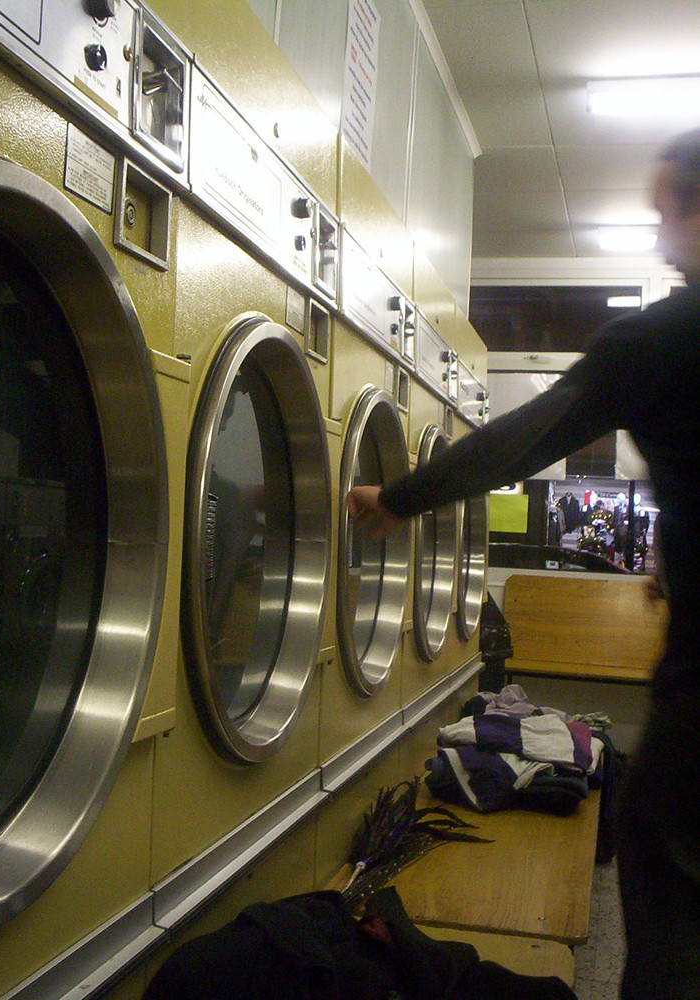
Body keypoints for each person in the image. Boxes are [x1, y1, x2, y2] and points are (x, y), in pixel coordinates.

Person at [347, 127, 700, 1000]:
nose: (658, 238)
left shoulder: (660, 338)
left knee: (670, 897)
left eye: (665, 212)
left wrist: (394, 500)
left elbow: (522, 440)